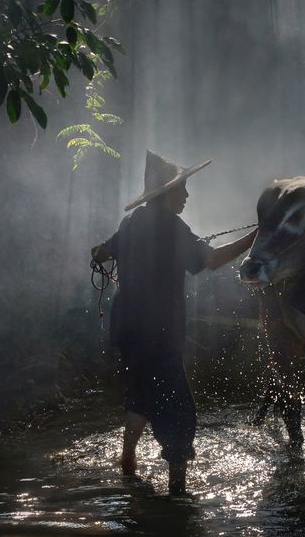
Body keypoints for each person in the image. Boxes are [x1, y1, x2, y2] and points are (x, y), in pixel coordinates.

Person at [91, 151, 257, 496]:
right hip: (158, 332)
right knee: (177, 406)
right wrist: (255, 236)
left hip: (127, 327)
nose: (185, 196)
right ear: (164, 194)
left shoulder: (133, 221)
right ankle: (177, 491)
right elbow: (211, 259)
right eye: (180, 189)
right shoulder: (171, 227)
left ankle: (127, 460)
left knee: (140, 392)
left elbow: (103, 251)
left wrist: (101, 252)